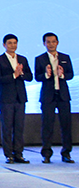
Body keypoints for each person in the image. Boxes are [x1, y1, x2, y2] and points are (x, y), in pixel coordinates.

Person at [35, 32, 74, 163]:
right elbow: (37, 77)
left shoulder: (65, 57)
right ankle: (46, 154)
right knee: (47, 125)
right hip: (48, 96)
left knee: (66, 125)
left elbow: (71, 75)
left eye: (53, 41)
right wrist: (46, 74)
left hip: (63, 96)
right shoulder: (40, 59)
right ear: (44, 44)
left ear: (57, 42)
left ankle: (66, 153)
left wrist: (62, 75)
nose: (51, 44)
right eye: (48, 42)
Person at [0, 33, 32, 164]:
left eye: (15, 43)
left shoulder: (22, 59)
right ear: (4, 45)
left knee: (19, 127)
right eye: (9, 43)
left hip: (20, 98)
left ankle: (19, 154)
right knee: (7, 127)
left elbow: (30, 77)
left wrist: (21, 74)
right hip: (6, 98)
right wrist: (13, 75)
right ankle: (8, 154)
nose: (12, 45)